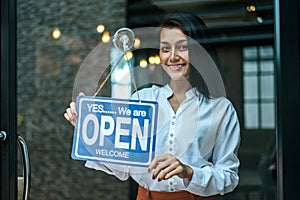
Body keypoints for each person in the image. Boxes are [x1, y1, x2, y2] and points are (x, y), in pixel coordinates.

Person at [64, 12, 240, 200]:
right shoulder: (143, 99)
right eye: (165, 49)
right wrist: (86, 128)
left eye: (182, 48)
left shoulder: (221, 109)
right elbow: (123, 166)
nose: (172, 57)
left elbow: (228, 177)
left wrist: (189, 171)